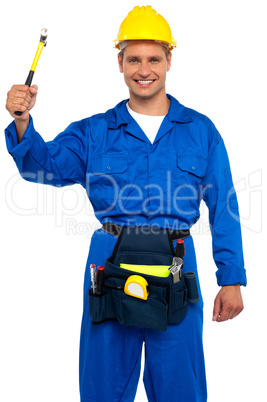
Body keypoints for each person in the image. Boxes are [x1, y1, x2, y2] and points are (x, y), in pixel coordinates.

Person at [5, 5, 246, 402]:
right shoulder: (94, 131)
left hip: (176, 264)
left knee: (181, 389)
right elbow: (42, 167)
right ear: (120, 62)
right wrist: (22, 123)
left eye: (153, 58)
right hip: (109, 264)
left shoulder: (201, 131)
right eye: (133, 58)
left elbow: (225, 206)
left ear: (169, 60)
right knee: (103, 388)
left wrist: (232, 279)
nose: (143, 68)